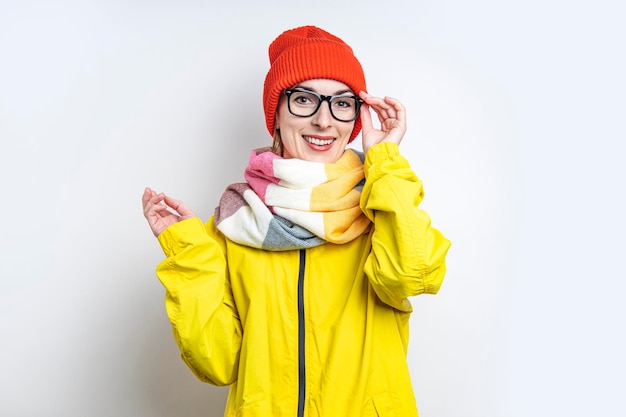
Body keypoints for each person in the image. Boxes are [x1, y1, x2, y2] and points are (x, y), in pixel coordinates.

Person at [142, 25, 451, 417]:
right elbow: (217, 364)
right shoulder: (233, 224)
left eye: (341, 103)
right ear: (276, 115)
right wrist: (188, 254)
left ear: (355, 116)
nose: (324, 121)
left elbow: (415, 275)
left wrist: (385, 162)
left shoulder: (381, 209)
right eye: (304, 100)